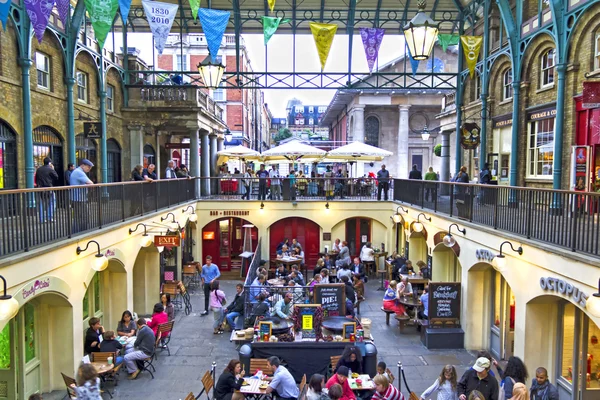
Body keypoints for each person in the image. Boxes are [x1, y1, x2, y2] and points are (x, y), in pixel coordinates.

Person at [70, 159, 94, 233]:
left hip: (76, 198)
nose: (89, 169)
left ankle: (76, 232)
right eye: (88, 167)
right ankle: (82, 232)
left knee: (78, 217)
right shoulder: (79, 172)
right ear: (83, 165)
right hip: (79, 198)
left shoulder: (77, 171)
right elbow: (91, 183)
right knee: (84, 216)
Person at [36, 157, 58, 222]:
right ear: (49, 163)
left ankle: (42, 219)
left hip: (40, 188)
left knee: (41, 203)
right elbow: (56, 177)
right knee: (52, 202)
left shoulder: (39, 169)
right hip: (49, 187)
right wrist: (53, 169)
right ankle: (49, 217)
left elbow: (37, 178)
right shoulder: (50, 169)